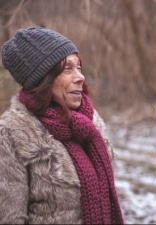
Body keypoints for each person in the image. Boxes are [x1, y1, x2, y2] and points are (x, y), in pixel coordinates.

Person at [0, 27, 124, 224]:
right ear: (42, 79)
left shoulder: (89, 122)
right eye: (67, 69)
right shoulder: (11, 133)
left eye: (79, 67)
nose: (80, 77)